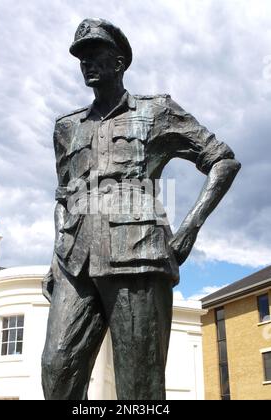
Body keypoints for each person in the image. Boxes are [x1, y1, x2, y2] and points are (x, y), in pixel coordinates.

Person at [41, 18, 241, 400]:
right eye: (81, 57)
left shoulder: (157, 111)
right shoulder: (67, 127)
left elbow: (222, 160)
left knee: (140, 389)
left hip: (138, 258)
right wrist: (54, 260)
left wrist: (190, 228)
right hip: (75, 261)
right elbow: (64, 197)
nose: (87, 63)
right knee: (57, 370)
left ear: (119, 63)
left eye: (95, 54)